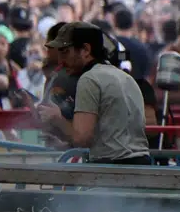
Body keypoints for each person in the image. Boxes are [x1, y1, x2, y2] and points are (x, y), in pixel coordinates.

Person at [35, 22, 151, 165]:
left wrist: (57, 118)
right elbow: (111, 136)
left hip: (111, 169)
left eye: (65, 52)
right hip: (140, 166)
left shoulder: (89, 79)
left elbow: (81, 139)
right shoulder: (125, 78)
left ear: (85, 49)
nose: (60, 61)